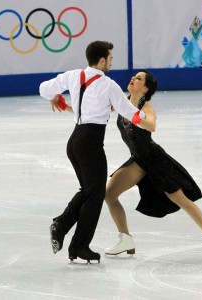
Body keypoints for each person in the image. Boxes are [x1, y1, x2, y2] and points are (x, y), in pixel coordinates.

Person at [39, 41, 151, 263]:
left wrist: (53, 96)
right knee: (95, 193)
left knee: (90, 190)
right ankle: (78, 243)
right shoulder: (108, 84)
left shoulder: (72, 75)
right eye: (110, 59)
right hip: (91, 143)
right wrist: (148, 119)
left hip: (75, 141)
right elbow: (128, 110)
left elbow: (44, 88)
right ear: (101, 60)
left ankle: (64, 228)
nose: (111, 63)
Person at [104, 70, 202, 259]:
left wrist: (137, 117)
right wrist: (66, 106)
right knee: (110, 194)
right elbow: (94, 110)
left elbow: (152, 125)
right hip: (138, 160)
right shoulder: (122, 102)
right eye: (134, 76)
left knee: (179, 198)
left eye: (138, 78)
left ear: (145, 88)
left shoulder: (146, 107)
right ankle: (125, 238)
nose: (133, 78)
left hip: (155, 160)